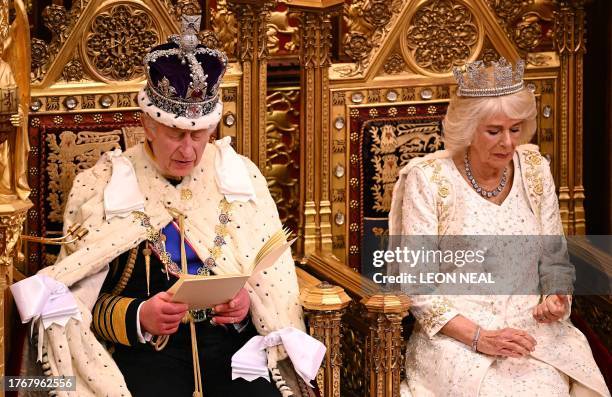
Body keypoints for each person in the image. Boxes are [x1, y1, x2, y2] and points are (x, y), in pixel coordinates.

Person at [11, 15, 323, 397]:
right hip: (146, 359)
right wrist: (139, 316)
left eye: (199, 135)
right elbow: (77, 307)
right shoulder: (103, 186)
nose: (189, 150)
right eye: (177, 134)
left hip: (233, 355)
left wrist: (244, 308)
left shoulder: (239, 178)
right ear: (148, 123)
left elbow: (271, 291)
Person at [388, 58, 610, 397]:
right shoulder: (429, 180)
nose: (508, 143)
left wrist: (554, 297)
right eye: (494, 131)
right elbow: (418, 289)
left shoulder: (534, 170)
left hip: (532, 334)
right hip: (457, 341)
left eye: (516, 129)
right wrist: (481, 338)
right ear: (467, 129)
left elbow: (555, 260)